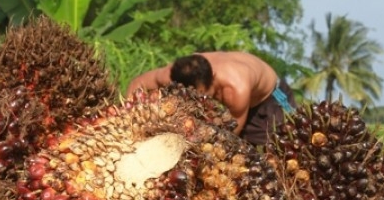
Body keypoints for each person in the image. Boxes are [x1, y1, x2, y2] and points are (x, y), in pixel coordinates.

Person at [126, 51, 296, 146]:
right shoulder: (175, 72)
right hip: (241, 103)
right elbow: (137, 84)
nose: (197, 99)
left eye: (200, 95)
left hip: (270, 101)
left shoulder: (235, 89)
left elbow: (231, 133)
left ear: (212, 80)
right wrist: (128, 120)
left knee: (276, 150)